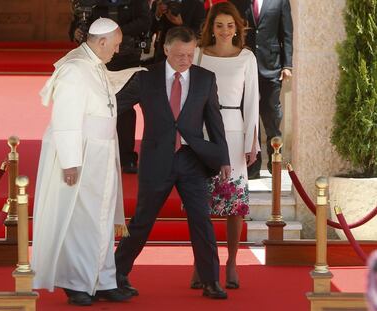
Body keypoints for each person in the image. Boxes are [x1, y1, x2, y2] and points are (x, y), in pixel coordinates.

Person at [32, 18, 143, 306]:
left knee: (102, 218)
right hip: (82, 155)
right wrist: (70, 161)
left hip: (103, 154)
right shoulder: (74, 69)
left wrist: (139, 73)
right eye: (115, 45)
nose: (117, 51)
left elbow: (105, 89)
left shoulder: (93, 63)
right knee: (81, 220)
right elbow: (65, 120)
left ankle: (102, 279)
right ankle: (77, 282)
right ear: (102, 41)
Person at [114, 26, 231, 299]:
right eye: (180, 55)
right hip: (157, 160)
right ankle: (116, 274)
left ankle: (210, 280)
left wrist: (223, 157)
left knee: (201, 220)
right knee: (142, 220)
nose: (185, 61)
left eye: (190, 55)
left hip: (192, 160)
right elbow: (115, 107)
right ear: (166, 49)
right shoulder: (146, 79)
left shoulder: (205, 79)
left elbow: (215, 122)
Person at [190, 1, 259, 290]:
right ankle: (201, 263)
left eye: (230, 25)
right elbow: (189, 98)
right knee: (199, 203)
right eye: (219, 25)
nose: (224, 30)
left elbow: (253, 100)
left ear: (238, 27)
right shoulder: (199, 55)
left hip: (233, 128)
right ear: (211, 27)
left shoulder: (247, 58)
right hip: (203, 131)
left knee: (234, 205)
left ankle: (231, 262)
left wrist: (251, 141)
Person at [69, 0, 151, 173]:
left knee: (124, 106)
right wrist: (75, 32)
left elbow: (145, 21)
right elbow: (77, 23)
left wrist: (114, 32)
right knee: (95, 104)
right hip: (97, 55)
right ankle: (94, 153)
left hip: (127, 54)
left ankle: (126, 156)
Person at [231, 0, 293, 179]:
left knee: (272, 116)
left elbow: (286, 33)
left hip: (271, 66)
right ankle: (252, 166)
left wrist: (287, 65)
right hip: (243, 67)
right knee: (249, 116)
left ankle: (275, 162)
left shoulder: (280, 1)